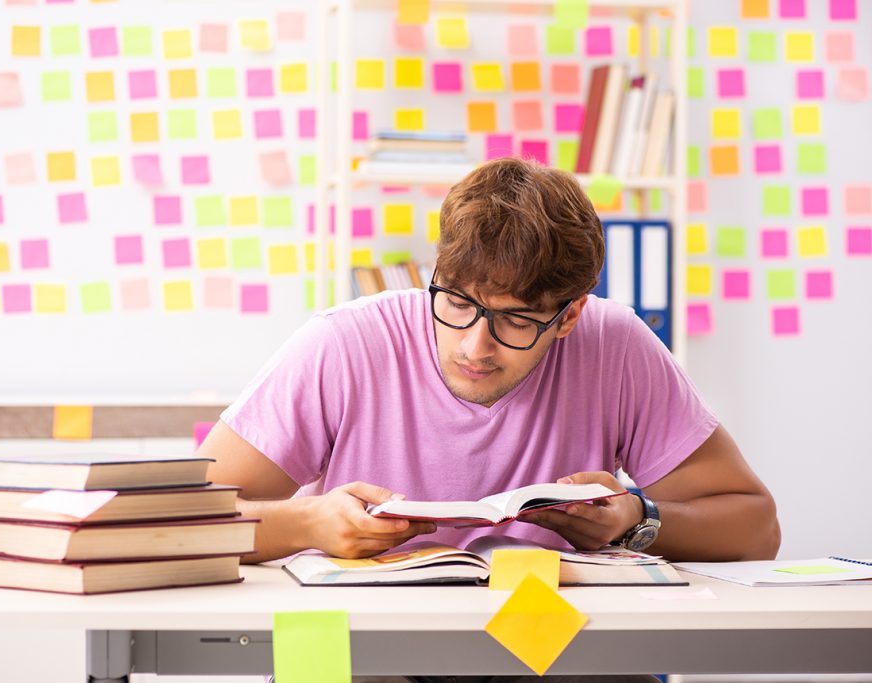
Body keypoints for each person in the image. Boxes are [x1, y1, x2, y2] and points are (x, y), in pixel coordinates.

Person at [199, 156, 780, 683]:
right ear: (435, 272)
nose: (476, 346)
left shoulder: (616, 343)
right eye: (456, 302)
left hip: (543, 639)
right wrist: (308, 524)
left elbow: (756, 529)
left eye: (517, 320)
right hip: (368, 633)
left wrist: (636, 518)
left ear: (571, 314)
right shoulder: (344, 342)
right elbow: (185, 525)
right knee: (323, 669)